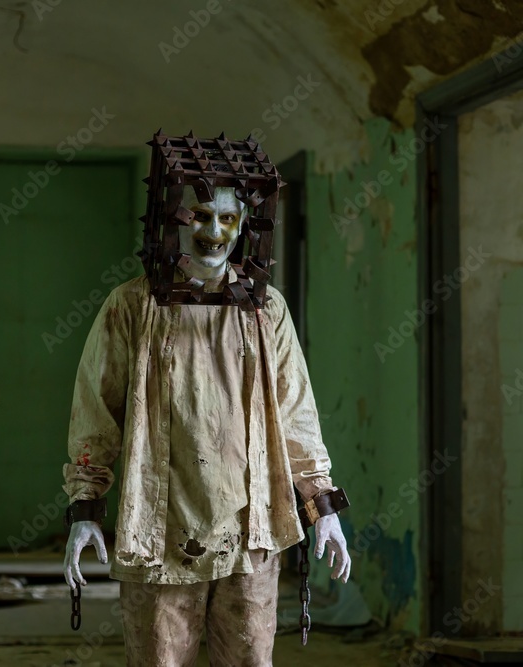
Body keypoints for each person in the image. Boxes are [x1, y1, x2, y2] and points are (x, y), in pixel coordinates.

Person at [60, 184, 351, 666]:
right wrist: (85, 507)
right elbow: (96, 410)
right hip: (159, 535)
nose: (213, 232)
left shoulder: (266, 309)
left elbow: (296, 409)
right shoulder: (131, 305)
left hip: (250, 530)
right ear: (172, 219)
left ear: (245, 225)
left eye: (227, 219)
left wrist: (322, 503)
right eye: (199, 215)